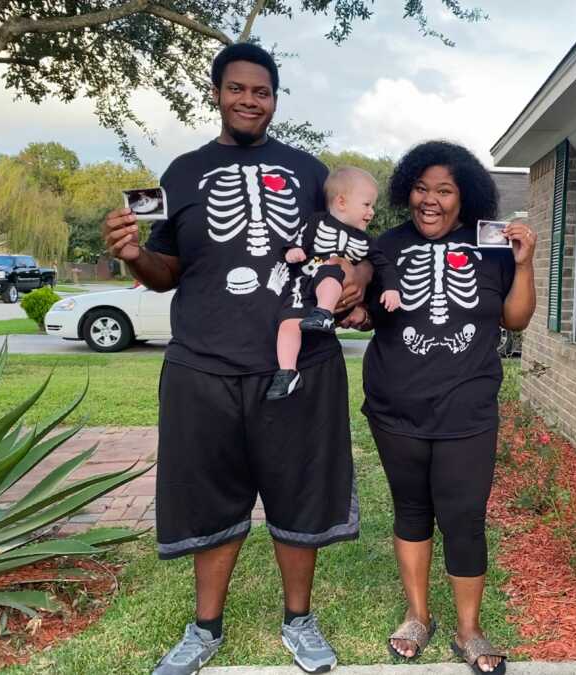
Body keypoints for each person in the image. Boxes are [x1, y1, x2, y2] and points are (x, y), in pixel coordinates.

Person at [101, 43, 369, 675]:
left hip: (299, 363)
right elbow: (167, 271)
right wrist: (133, 255)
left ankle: (299, 620)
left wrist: (354, 277)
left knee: (299, 492)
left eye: (263, 91)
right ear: (217, 93)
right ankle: (204, 628)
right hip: (204, 365)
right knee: (208, 497)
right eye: (239, 89)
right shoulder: (182, 174)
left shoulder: (310, 173)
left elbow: (347, 243)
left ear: (275, 99)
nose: (251, 100)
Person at [352, 141, 536, 675]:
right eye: (421, 188)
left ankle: (469, 631)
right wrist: (356, 309)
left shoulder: (494, 246)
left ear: (466, 197)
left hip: (467, 408)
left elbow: (516, 320)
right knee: (411, 511)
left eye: (444, 190)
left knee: (464, 519)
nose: (429, 200)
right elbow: (364, 307)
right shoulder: (385, 246)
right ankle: (417, 616)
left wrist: (522, 265)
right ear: (406, 189)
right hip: (396, 407)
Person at [267, 166, 401, 399]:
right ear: (341, 202)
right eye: (367, 205)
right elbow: (298, 240)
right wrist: (293, 251)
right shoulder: (317, 222)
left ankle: (323, 314)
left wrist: (391, 289)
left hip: (335, 294)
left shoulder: (366, 240)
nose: (371, 212)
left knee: (330, 270)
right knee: (288, 324)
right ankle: (288, 372)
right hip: (304, 288)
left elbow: (383, 266)